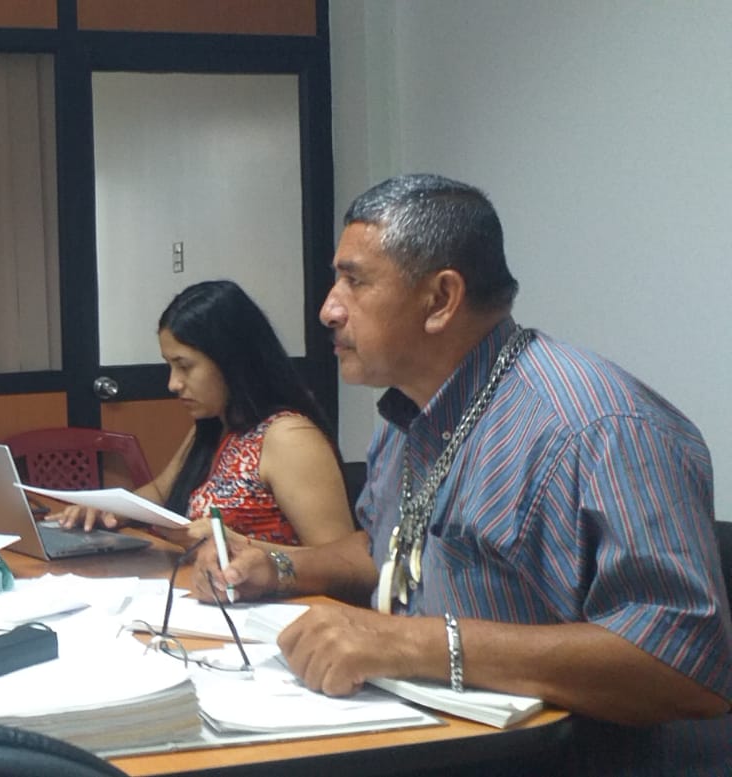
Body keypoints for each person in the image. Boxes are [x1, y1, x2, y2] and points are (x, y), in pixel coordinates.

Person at [202, 174, 732, 774]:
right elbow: (391, 550)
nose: (329, 308)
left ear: (440, 299)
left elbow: (684, 665)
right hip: (415, 739)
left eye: (355, 281)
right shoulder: (408, 412)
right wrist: (278, 566)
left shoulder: (600, 427)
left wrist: (410, 644)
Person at [56, 280, 356, 563]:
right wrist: (107, 510)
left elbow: (339, 562)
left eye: (185, 366)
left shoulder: (289, 437)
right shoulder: (216, 423)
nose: (173, 384)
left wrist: (235, 544)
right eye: (170, 366)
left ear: (231, 360)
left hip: (274, 598)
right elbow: (161, 492)